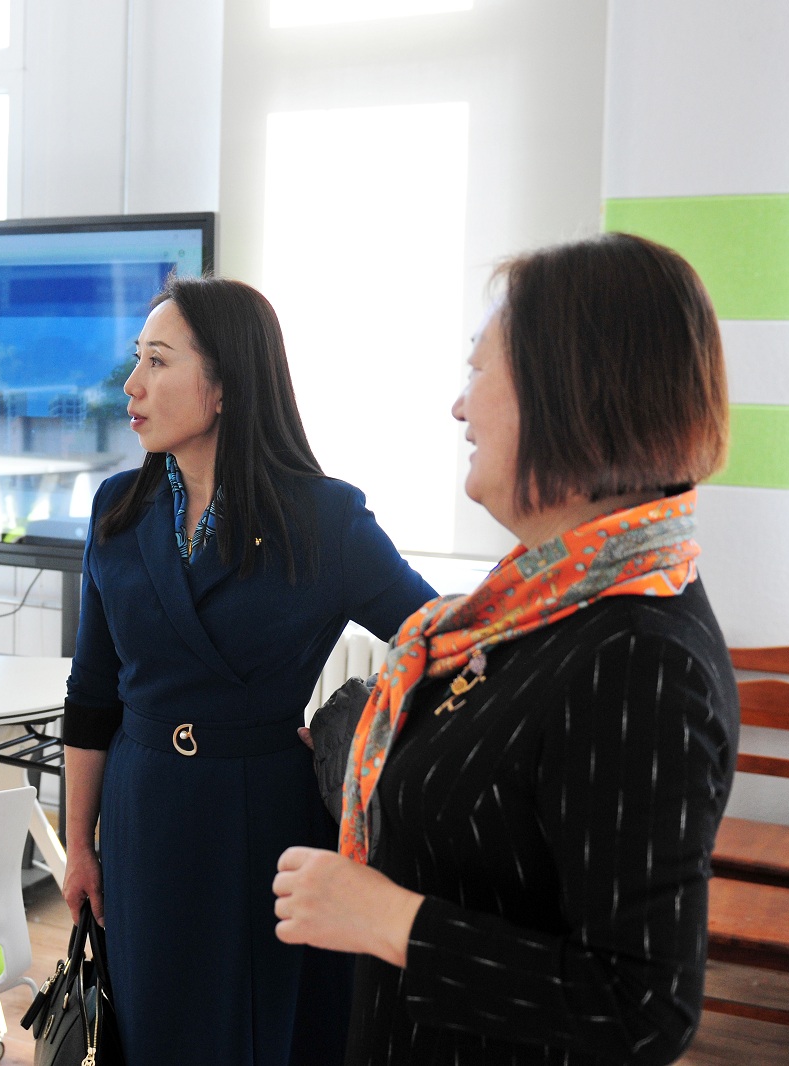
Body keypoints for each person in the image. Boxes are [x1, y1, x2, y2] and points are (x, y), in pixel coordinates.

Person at [271, 232, 738, 1064]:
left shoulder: (639, 658)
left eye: (478, 370)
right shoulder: (534, 609)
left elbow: (642, 1006)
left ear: (570, 394)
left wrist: (388, 921)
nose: (459, 408)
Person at [61, 274, 435, 1064]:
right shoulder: (116, 510)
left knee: (260, 1028)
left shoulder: (324, 518)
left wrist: (355, 730)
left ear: (226, 384)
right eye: (136, 359)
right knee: (153, 1024)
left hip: (266, 818)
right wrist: (78, 845)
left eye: (158, 361)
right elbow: (91, 695)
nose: (131, 386)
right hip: (143, 812)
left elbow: (437, 641)